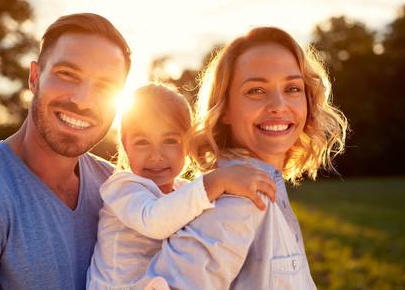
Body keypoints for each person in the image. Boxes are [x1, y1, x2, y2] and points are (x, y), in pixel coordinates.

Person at [141, 27, 348, 289]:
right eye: (256, 91)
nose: (278, 104)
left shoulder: (262, 186)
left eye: (293, 88)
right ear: (225, 109)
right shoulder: (238, 200)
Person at [0, 13, 132, 289]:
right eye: (67, 75)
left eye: (105, 87)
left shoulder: (118, 190)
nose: (83, 100)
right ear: (34, 77)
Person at [86, 84, 277, 289]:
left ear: (188, 143)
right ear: (125, 145)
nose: (156, 156)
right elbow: (154, 220)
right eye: (142, 142)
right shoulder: (123, 187)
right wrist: (218, 181)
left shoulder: (185, 191)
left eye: (169, 140)